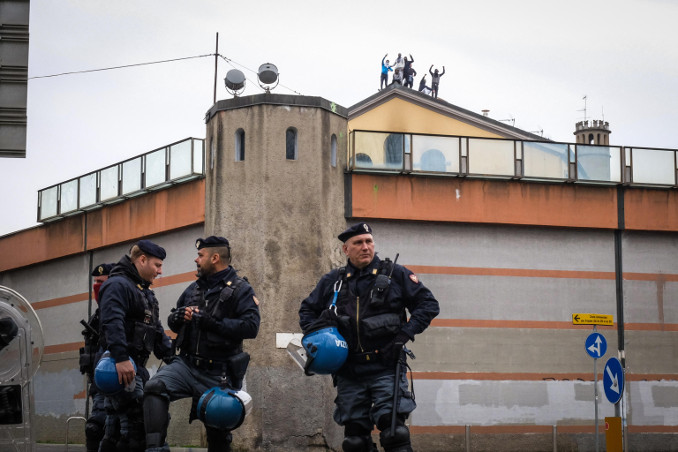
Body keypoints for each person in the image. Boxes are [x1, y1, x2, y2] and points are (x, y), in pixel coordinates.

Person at [299, 223, 440, 452]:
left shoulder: (396, 274)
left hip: (386, 366)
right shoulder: (334, 281)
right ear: (346, 250)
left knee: (395, 434)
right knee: (354, 441)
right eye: (358, 243)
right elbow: (306, 311)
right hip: (349, 371)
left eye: (369, 241)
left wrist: (402, 337)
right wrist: (320, 333)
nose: (365, 247)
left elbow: (428, 305)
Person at [143, 236, 261, 452]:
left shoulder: (241, 289)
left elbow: (251, 327)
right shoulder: (193, 289)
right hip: (186, 365)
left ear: (215, 258)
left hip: (219, 372)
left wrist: (211, 323)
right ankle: (155, 449)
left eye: (200, 255)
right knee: (154, 387)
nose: (196, 260)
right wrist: (178, 318)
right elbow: (173, 322)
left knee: (217, 434)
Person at [98, 240, 172, 452]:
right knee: (137, 427)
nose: (160, 271)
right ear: (142, 260)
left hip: (133, 368)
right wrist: (121, 358)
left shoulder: (142, 290)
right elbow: (112, 322)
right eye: (157, 265)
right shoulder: (118, 285)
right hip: (122, 368)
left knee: (116, 429)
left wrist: (173, 358)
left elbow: (155, 330)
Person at [79, 263, 113, 452]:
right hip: (97, 382)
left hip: (112, 380)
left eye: (101, 281)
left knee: (103, 429)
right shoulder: (98, 315)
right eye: (95, 282)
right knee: (95, 429)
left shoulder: (115, 311)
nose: (97, 286)